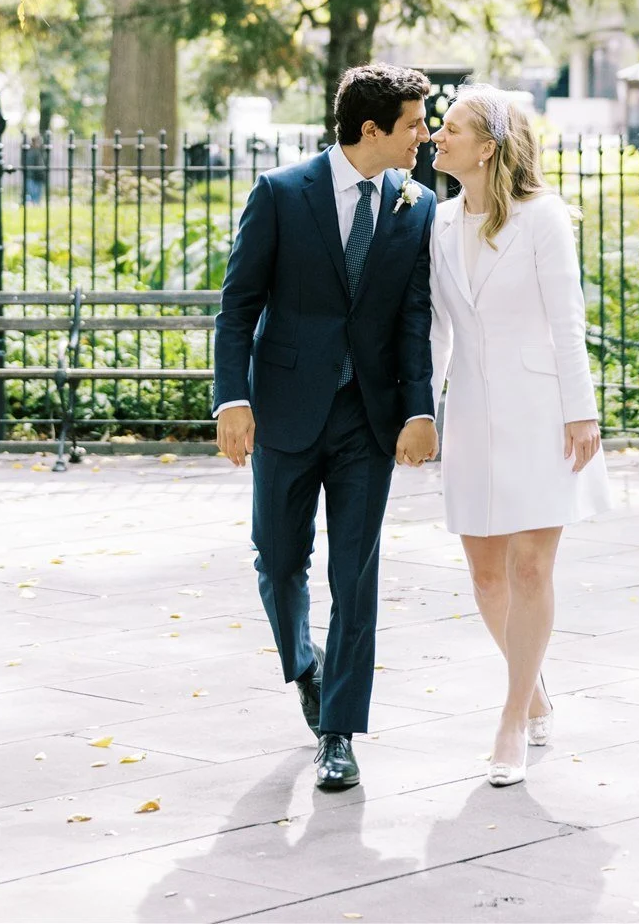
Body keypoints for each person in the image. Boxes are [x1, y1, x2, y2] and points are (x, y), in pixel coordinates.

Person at [213, 63, 439, 793]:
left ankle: (339, 731)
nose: (424, 136)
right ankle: (307, 668)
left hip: (366, 420)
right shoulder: (281, 194)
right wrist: (232, 399)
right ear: (372, 130)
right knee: (277, 562)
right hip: (284, 408)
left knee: (356, 575)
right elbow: (238, 304)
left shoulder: (418, 205)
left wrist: (418, 409)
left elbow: (412, 319)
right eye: (414, 124)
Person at [430, 85, 610, 785]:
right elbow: (438, 329)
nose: (437, 139)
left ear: (489, 148)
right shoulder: (439, 223)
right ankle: (533, 689)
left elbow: (567, 318)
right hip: (472, 413)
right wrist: (422, 410)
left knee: (532, 568)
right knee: (484, 574)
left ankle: (511, 719)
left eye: (450, 129)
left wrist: (581, 410)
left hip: (543, 413)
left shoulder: (544, 218)